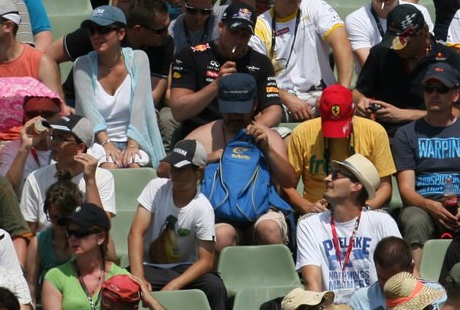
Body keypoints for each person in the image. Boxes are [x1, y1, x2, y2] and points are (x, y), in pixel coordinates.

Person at [182, 73, 295, 250]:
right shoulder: (203, 135)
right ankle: (217, 278)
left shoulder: (269, 136)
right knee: (221, 236)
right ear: (220, 105)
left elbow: (290, 181)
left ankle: (274, 277)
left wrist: (267, 150)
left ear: (255, 105)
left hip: (263, 212)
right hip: (220, 215)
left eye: (241, 109)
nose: (235, 115)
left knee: (270, 230)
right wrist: (206, 158)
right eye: (229, 109)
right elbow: (164, 170)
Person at [391, 63, 460, 259]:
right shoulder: (406, 133)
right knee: (414, 220)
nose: (434, 94)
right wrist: (431, 206)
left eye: (441, 89)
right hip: (424, 203)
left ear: (455, 95)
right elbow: (406, 190)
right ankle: (415, 281)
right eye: (429, 89)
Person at [126, 139, 224, 310]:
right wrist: (139, 278)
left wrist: (174, 285)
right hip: (150, 267)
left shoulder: (203, 208)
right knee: (123, 283)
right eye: (172, 167)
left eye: (181, 169)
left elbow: (207, 261)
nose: (173, 173)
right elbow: (135, 233)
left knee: (215, 286)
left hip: (184, 270)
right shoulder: (155, 187)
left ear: (198, 172)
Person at [252, 0, 353, 119]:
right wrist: (286, 98)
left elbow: (342, 45)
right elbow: (257, 77)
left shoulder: (317, 8)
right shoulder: (259, 26)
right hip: (281, 101)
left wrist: (340, 92)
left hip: (324, 96)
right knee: (263, 117)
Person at [167, 3, 283, 138]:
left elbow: (274, 111)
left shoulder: (260, 62)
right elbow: (178, 111)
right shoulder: (191, 55)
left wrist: (251, 130)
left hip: (244, 132)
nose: (238, 40)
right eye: (234, 32)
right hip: (200, 133)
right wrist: (216, 85)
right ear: (221, 27)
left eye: (245, 35)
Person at [71, 5, 166, 168]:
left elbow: (139, 107)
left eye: (103, 30)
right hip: (97, 142)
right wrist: (107, 144)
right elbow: (89, 111)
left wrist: (132, 145)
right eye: (91, 31)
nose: (95, 36)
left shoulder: (139, 59)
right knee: (109, 167)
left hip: (136, 140)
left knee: (134, 166)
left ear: (121, 33)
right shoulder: (82, 65)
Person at [297, 154, 401, 303]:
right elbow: (312, 284)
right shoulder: (309, 225)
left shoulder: (382, 222)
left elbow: (402, 277)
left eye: (335, 175)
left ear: (356, 186)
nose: (327, 179)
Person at [286, 84, 396, 212]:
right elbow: (287, 186)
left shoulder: (375, 132)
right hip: (318, 211)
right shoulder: (302, 133)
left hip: (364, 208)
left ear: (353, 112)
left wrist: (365, 208)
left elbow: (385, 186)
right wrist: (307, 206)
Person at [354, 3, 460, 133]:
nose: (395, 47)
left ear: (423, 32)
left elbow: (456, 112)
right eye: (392, 40)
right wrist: (362, 102)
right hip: (386, 134)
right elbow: (358, 93)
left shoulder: (448, 57)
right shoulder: (381, 53)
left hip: (432, 135)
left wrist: (403, 115)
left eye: (402, 42)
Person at [19, 115, 116, 233]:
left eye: (61, 138)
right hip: (49, 245)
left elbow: (101, 227)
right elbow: (28, 231)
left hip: (84, 243)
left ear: (80, 147)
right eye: (53, 136)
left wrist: (90, 181)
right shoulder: (35, 178)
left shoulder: (102, 177)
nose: (54, 142)